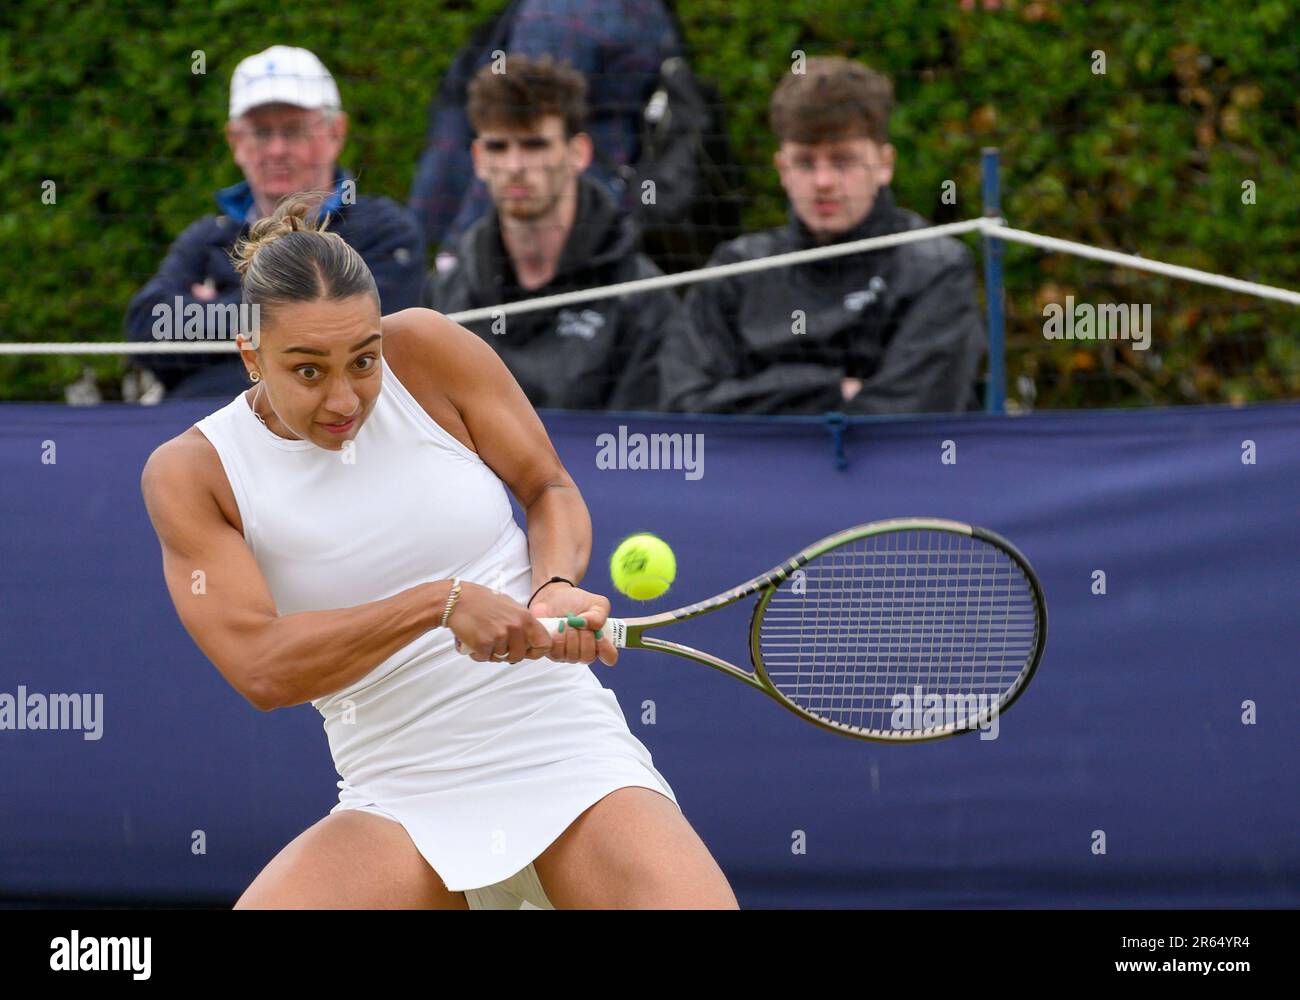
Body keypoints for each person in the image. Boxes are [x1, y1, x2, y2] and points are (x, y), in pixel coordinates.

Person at [139, 192, 736, 910]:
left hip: (563, 749)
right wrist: (438, 605)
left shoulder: (427, 349)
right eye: (307, 371)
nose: (345, 399)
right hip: (395, 792)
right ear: (249, 354)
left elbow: (547, 486)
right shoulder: (193, 473)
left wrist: (550, 586)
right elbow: (263, 669)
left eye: (364, 360)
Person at [659, 57, 986, 415]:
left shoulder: (936, 269)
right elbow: (687, 407)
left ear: (885, 164)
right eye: (804, 162)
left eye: (843, 160)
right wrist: (830, 390)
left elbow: (905, 417)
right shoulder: (734, 272)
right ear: (782, 168)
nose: (823, 182)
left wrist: (760, 395)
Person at [125, 45, 425, 398]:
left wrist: (214, 311)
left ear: (336, 133)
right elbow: (149, 326)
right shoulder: (208, 236)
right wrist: (295, 310)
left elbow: (372, 339)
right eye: (261, 133)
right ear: (236, 142)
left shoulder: (385, 230)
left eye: (295, 130)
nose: (277, 149)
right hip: (208, 437)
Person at [423, 55, 684, 412]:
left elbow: (634, 447)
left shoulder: (640, 299)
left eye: (534, 145)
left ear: (578, 152)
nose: (515, 167)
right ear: (479, 159)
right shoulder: (449, 291)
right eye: (499, 147)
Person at [407, 0, 681, 252]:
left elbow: (515, 130)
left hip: (563, 219)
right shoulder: (644, 9)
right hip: (609, 208)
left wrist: (456, 253)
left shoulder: (558, 13)